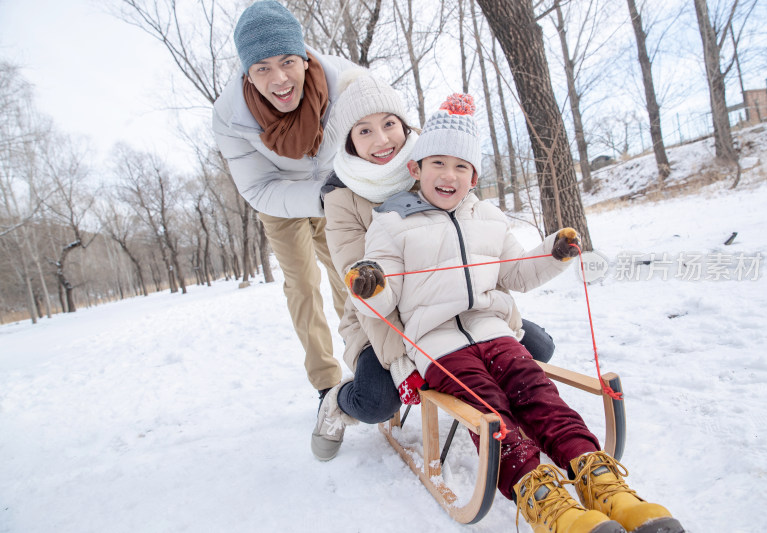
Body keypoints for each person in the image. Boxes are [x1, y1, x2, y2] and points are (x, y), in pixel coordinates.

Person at [345, 94, 684, 533]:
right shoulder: (391, 222)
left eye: (461, 167)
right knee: (492, 409)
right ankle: (542, 498)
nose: (449, 175)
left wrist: (552, 253)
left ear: (474, 176)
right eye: (438, 164)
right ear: (416, 169)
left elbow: (516, 273)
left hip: (494, 330)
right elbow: (384, 297)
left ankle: (602, 481)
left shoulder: (487, 216)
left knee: (538, 393)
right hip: (437, 344)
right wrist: (371, 284)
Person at [312, 71, 556, 461]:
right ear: (349, 142)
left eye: (389, 124)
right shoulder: (341, 200)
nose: (382, 140)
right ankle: (337, 402)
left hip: (455, 308)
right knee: (378, 402)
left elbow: (476, 246)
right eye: (364, 131)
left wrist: (502, 327)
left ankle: (503, 393)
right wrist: (401, 359)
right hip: (382, 318)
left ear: (405, 124)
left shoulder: (435, 160)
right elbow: (366, 287)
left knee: (539, 347)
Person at [212, 1, 356, 412]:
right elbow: (257, 187)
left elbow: (381, 134)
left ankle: (366, 360)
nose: (278, 79)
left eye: (287, 61)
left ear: (305, 57)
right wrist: (321, 195)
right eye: (261, 68)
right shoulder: (229, 117)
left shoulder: (344, 81)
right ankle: (327, 383)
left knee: (350, 276)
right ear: (247, 73)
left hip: (338, 188)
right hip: (279, 199)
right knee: (303, 285)